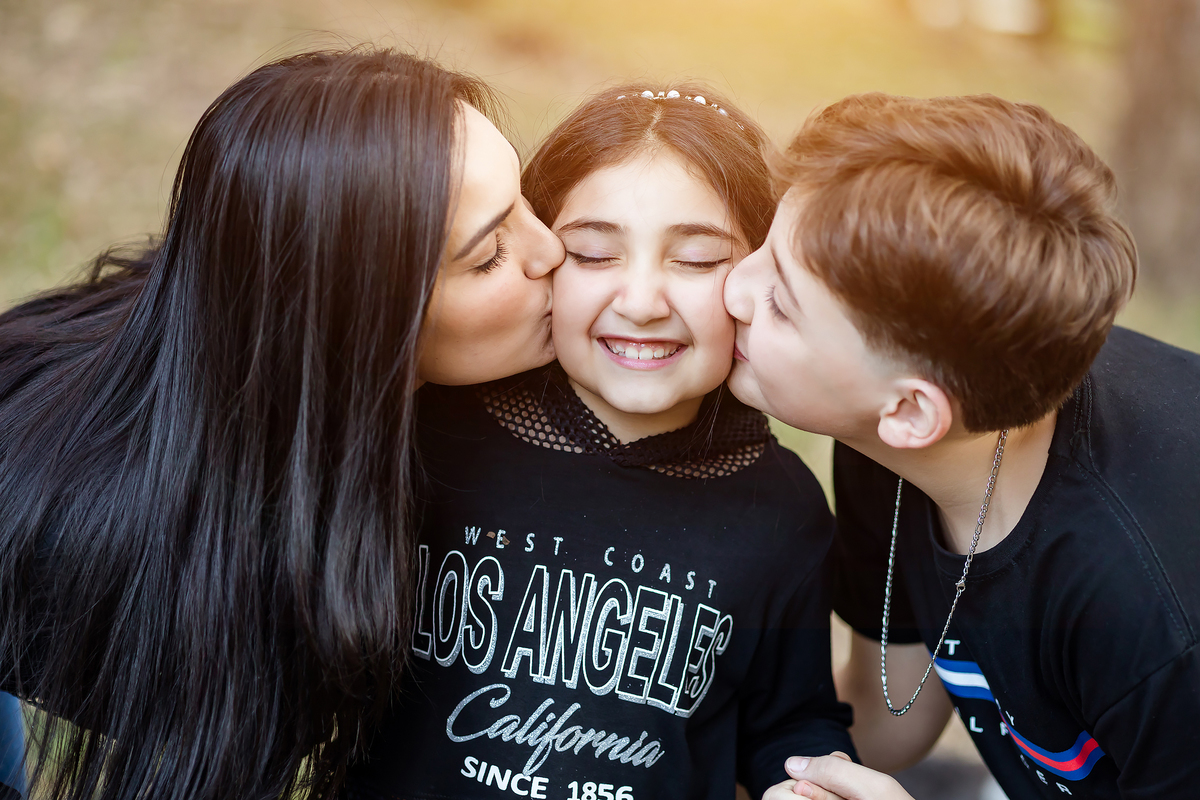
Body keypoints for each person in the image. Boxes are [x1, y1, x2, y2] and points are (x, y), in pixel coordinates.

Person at [0, 47, 563, 800]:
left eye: (525, 200)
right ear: (357, 322)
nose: (551, 249)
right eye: (490, 253)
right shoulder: (185, 580)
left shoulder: (251, 306)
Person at [342, 84, 855, 800]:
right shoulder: (431, 433)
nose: (642, 303)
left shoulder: (783, 509)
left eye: (699, 261)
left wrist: (805, 781)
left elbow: (790, 724)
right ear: (540, 252)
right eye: (592, 252)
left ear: (758, 276)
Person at [723, 92, 1200, 799]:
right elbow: (891, 718)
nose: (735, 285)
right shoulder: (897, 425)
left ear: (913, 411)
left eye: (781, 304)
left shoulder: (1151, 623)